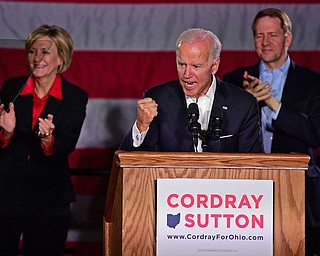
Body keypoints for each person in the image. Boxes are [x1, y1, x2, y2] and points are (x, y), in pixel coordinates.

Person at [222, 8, 320, 255]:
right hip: (246, 188)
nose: (265, 42)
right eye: (259, 35)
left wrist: (273, 105)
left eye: (273, 35)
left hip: (298, 189)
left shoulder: (313, 82)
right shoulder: (233, 81)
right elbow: (220, 134)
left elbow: (314, 134)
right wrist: (248, 102)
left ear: (288, 38)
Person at [0, 24, 88, 255]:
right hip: (7, 195)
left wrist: (48, 139)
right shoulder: (11, 88)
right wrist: (6, 133)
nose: (37, 58)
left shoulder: (75, 97)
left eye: (45, 51)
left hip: (50, 197)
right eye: (32, 51)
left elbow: (66, 146)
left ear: (61, 58)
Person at [120, 28, 263, 153]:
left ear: (214, 66)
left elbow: (253, 166)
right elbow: (129, 162)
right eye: (181, 64)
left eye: (196, 66)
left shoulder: (243, 104)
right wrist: (141, 126)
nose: (186, 74)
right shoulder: (158, 98)